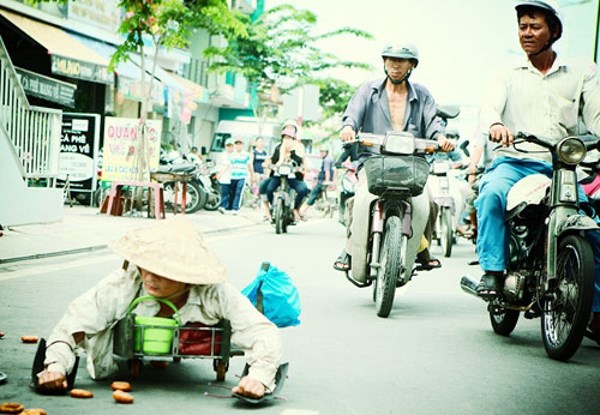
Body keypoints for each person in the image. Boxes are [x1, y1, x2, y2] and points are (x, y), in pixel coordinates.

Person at [34, 217, 283, 399]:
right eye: (146, 267)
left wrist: (258, 377)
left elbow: (263, 331)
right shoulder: (124, 284)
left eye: (163, 272)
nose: (151, 278)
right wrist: (55, 367)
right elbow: (70, 326)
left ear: (187, 274)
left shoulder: (213, 292)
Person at [475, 0, 600, 339]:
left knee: (593, 227)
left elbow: (597, 119)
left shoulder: (582, 72)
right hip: (515, 161)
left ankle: (597, 310)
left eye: (535, 26)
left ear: (553, 32)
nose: (527, 33)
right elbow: (488, 107)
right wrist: (496, 124)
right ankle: (493, 271)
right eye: (523, 27)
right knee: (491, 195)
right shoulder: (507, 73)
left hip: (563, 167)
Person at [332, 41, 454, 279]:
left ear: (412, 66)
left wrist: (440, 138)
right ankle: (350, 249)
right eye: (390, 60)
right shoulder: (368, 91)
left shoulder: (423, 94)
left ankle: (422, 247)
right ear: (384, 62)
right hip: (373, 161)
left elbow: (433, 123)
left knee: (427, 203)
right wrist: (348, 127)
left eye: (401, 61)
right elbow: (352, 114)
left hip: (411, 165)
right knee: (360, 199)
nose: (395, 66)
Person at [265, 124, 309, 223]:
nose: (287, 140)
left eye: (289, 137)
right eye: (285, 137)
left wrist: (302, 168)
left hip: (293, 177)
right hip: (278, 175)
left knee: (303, 190)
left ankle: (295, 209)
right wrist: (270, 165)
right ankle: (274, 208)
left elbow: (303, 161)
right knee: (269, 189)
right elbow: (274, 160)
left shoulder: (299, 147)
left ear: (293, 138)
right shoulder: (278, 148)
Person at [299, 147, 335, 219]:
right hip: (323, 180)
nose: (321, 153)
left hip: (322, 181)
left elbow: (327, 171)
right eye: (320, 152)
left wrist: (327, 180)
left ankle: (302, 210)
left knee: (313, 194)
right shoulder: (329, 159)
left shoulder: (326, 160)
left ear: (326, 152)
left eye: (323, 152)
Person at [228, 138, 252, 214]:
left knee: (238, 192)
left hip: (242, 176)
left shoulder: (246, 155)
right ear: (234, 145)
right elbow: (228, 165)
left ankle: (236, 208)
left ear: (242, 145)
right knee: (232, 192)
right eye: (237, 144)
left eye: (240, 144)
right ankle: (230, 207)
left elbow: (249, 165)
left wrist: (252, 174)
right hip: (232, 176)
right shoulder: (231, 155)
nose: (238, 146)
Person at [217, 138, 234, 214]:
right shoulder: (222, 155)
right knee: (224, 192)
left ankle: (230, 207)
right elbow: (220, 165)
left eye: (231, 146)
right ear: (225, 146)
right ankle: (223, 206)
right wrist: (219, 174)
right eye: (228, 146)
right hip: (224, 177)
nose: (229, 147)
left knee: (232, 193)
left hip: (233, 177)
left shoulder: (235, 155)